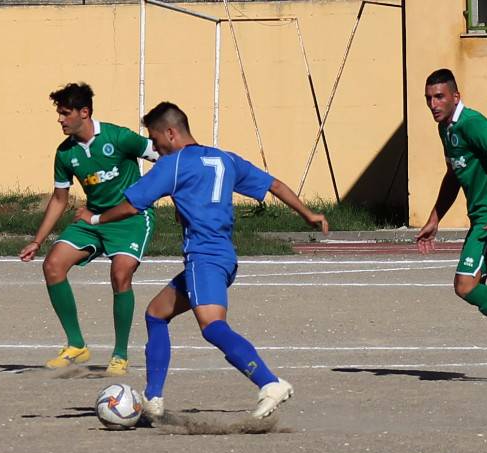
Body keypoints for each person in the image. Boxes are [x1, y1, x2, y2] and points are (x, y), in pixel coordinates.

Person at [76, 101, 328, 420]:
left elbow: (131, 206)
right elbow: (273, 184)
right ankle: (153, 399)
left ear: (171, 132)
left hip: (203, 257)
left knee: (212, 327)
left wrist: (95, 219)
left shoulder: (175, 164)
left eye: (155, 139)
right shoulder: (224, 158)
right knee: (156, 314)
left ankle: (270, 383)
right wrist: (308, 214)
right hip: (223, 255)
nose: (153, 147)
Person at [19, 83, 159, 376]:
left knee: (120, 274)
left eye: (65, 113)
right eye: (59, 113)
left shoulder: (118, 137)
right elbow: (60, 199)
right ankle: (76, 345)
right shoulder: (65, 153)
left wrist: (153, 190)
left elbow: (164, 156)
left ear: (84, 112)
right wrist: (38, 240)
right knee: (53, 265)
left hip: (130, 219)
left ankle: (120, 355)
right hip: (92, 220)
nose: (60, 119)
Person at [416, 68, 487, 327]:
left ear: (456, 96)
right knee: (472, 284)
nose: (433, 104)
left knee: (465, 285)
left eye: (439, 96)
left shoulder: (471, 122)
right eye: (428, 98)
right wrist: (434, 219)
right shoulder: (446, 129)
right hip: (481, 217)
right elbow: (453, 175)